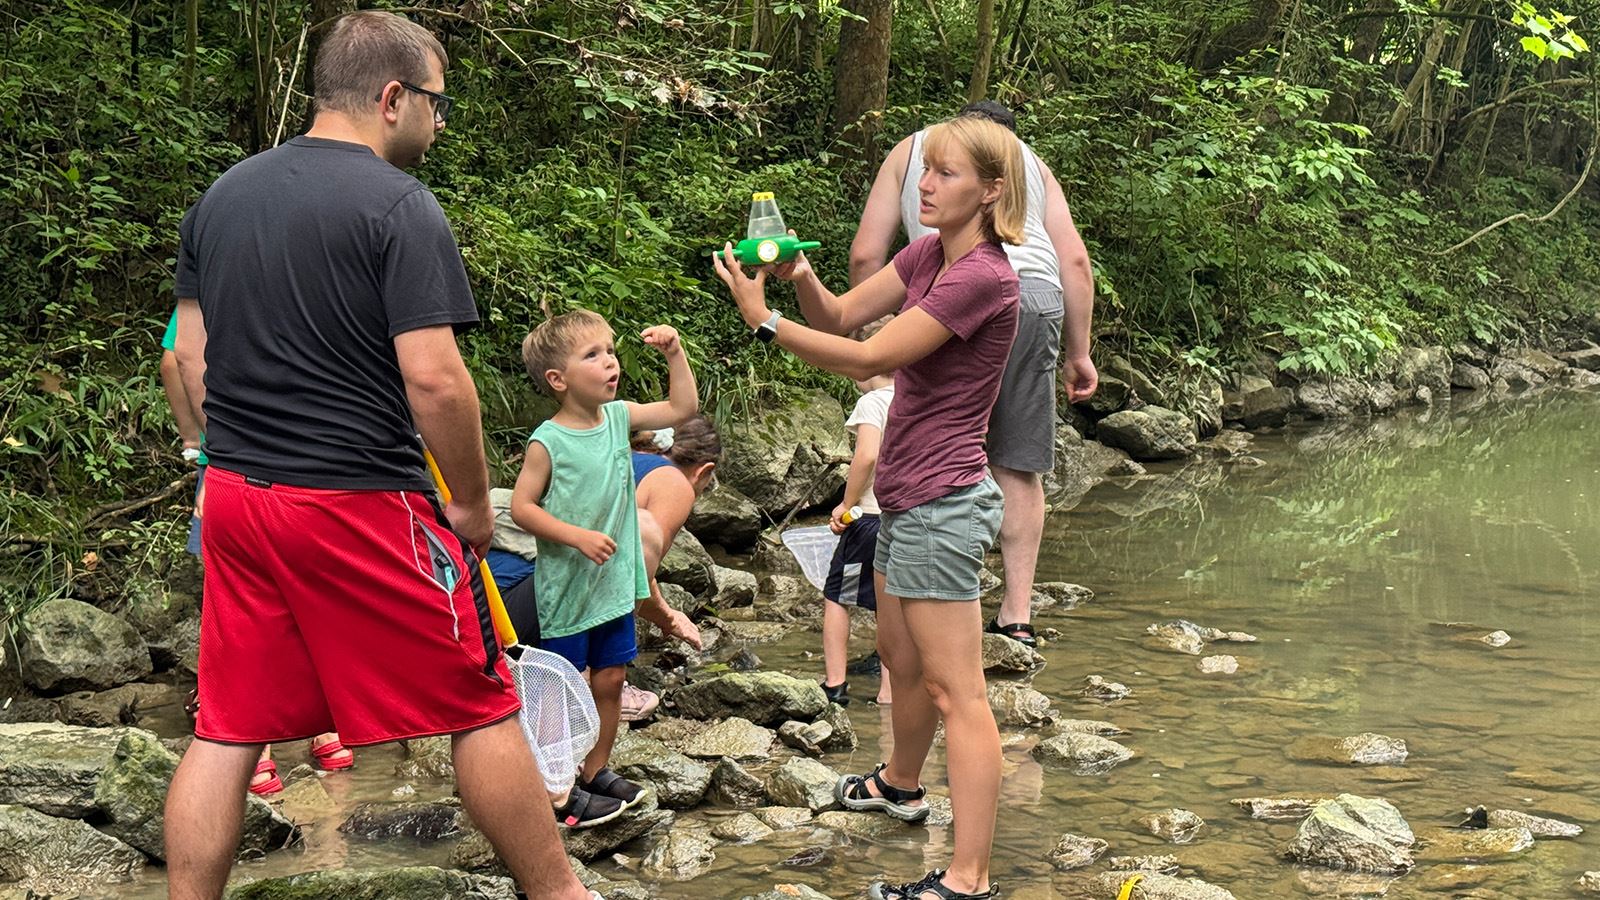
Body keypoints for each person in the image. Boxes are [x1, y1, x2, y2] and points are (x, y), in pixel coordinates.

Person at [164, 12, 592, 899]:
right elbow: (436, 382)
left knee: (228, 724)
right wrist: (473, 507)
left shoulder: (223, 197)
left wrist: (215, 461)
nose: (438, 124)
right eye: (436, 105)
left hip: (240, 495)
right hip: (358, 499)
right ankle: (560, 892)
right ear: (392, 97)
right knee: (480, 702)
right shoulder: (398, 205)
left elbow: (189, 359)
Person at [714, 115, 1022, 900]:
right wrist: (799, 286)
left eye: (946, 175)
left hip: (946, 503)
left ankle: (969, 878)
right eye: (925, 171)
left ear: (990, 190)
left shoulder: (983, 275)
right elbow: (845, 316)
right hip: (906, 496)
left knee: (959, 692)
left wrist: (763, 322)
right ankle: (900, 785)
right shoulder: (927, 253)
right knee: (899, 657)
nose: (925, 185)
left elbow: (869, 358)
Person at [850, 100, 1097, 648]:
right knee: (1017, 461)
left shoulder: (910, 150)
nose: (933, 179)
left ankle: (926, 611)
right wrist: (1079, 354)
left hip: (947, 292)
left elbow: (867, 255)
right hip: (1035, 297)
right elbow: (1074, 261)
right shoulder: (1030, 162)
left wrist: (877, 341)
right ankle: (1016, 615)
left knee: (944, 443)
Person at [510, 310, 698, 827]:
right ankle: (558, 785)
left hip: (614, 585)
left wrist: (674, 351)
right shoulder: (548, 441)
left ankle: (595, 770)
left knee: (611, 677)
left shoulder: (618, 418)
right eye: (592, 355)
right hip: (569, 588)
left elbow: (682, 407)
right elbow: (523, 508)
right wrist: (575, 536)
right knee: (562, 685)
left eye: (610, 350)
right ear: (558, 380)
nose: (610, 362)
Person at [625, 416, 722, 720]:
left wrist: (665, 616)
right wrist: (669, 617)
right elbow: (637, 570)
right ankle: (605, 678)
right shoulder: (674, 483)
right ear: (705, 470)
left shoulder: (626, 457)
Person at [820, 317, 895, 707]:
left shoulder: (872, 402)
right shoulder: (915, 397)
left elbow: (866, 455)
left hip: (866, 520)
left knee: (838, 595)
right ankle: (889, 691)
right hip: (903, 517)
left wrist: (846, 504)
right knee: (890, 603)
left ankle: (835, 683)